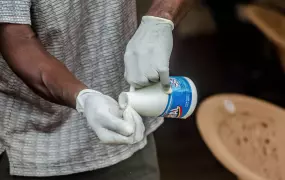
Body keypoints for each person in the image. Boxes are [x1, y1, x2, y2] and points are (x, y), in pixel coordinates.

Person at [0, 0, 192, 179]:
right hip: (35, 147)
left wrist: (161, 18)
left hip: (130, 132)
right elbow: (17, 38)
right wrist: (83, 98)